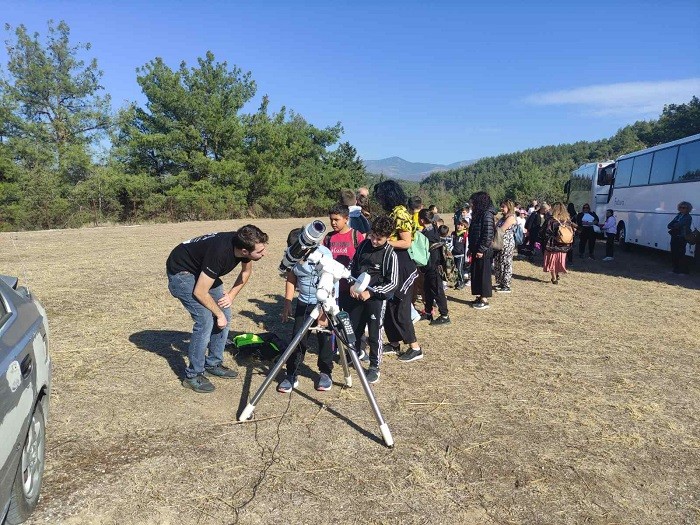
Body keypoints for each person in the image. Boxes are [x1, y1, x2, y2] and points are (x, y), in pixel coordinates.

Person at [166, 225, 268, 393]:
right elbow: (200, 292)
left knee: (225, 312)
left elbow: (245, 273)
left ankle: (213, 363)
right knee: (205, 320)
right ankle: (192, 375)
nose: (264, 254)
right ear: (244, 251)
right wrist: (218, 314)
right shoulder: (220, 254)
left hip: (200, 269)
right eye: (260, 251)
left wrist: (231, 295)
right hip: (181, 272)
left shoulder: (244, 246)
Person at [341, 215, 399, 384]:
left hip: (375, 300)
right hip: (356, 295)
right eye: (372, 236)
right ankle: (355, 353)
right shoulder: (363, 245)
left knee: (374, 332)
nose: (373, 241)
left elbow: (393, 283)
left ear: (388, 237)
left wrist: (372, 293)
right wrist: (352, 284)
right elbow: (352, 266)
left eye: (378, 239)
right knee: (354, 328)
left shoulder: (390, 255)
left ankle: (374, 366)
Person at [278, 230, 335, 393]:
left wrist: (325, 311)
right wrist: (287, 303)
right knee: (298, 338)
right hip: (304, 303)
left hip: (323, 303)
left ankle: (325, 372)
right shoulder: (291, 255)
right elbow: (291, 279)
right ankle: (291, 373)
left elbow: (332, 282)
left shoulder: (324, 254)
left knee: (324, 338)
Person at [373, 180, 423, 362]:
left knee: (401, 305)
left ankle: (415, 347)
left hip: (401, 263)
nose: (378, 200)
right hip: (392, 262)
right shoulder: (393, 212)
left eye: (380, 196)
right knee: (389, 303)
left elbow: (406, 241)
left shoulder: (400, 212)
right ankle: (394, 342)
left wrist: (384, 243)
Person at [418, 210, 450, 325]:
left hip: (433, 264)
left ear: (421, 220)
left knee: (437, 289)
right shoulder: (434, 228)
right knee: (427, 289)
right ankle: (428, 312)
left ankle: (445, 315)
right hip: (430, 265)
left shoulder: (427, 234)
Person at [468, 191, 495, 310]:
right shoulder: (478, 214)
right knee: (476, 273)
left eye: (473, 202)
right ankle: (479, 295)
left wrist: (481, 249)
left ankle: (485, 298)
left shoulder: (487, 214)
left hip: (483, 250)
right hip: (475, 248)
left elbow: (488, 234)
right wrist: (471, 248)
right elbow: (473, 232)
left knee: (484, 274)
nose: (471, 205)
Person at [542, 203, 573, 284]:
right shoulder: (567, 220)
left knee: (552, 262)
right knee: (559, 261)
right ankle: (557, 274)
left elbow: (545, 232)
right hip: (564, 245)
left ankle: (554, 278)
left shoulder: (551, 220)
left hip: (553, 245)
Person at [494, 200, 517, 293]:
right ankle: (501, 283)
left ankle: (506, 285)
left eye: (503, 207)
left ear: (509, 207)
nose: (501, 208)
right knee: (499, 263)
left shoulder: (511, 218)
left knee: (506, 264)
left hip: (507, 245)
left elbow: (501, 229)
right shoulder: (503, 218)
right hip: (500, 243)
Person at [668, 201, 694, 274]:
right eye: (680, 207)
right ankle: (675, 269)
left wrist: (674, 225)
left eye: (684, 208)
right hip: (675, 236)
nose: (682, 209)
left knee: (680, 254)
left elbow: (678, 225)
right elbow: (669, 225)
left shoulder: (687, 217)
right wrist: (674, 225)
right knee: (674, 253)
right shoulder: (678, 215)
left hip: (682, 237)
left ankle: (684, 270)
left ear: (688, 209)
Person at [451, 218, 469, 290]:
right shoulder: (453, 234)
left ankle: (462, 282)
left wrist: (467, 256)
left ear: (465, 226)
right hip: (454, 254)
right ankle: (457, 282)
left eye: (461, 225)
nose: (459, 226)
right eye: (458, 224)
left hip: (461, 255)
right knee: (455, 269)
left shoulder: (465, 234)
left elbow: (467, 245)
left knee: (459, 269)